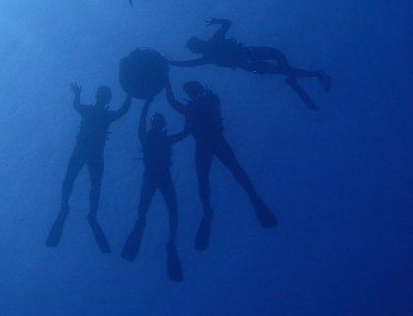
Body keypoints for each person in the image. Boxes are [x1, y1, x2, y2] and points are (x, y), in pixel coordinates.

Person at [166, 79, 277, 251]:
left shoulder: (203, 103)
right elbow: (185, 123)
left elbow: (181, 113)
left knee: (223, 173)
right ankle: (250, 198)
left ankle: (245, 199)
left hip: (209, 143)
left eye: (190, 90)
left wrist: (166, 79)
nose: (190, 92)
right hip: (212, 142)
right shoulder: (204, 103)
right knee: (221, 174)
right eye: (189, 91)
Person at [168, 18, 331, 110]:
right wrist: (170, 62)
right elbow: (190, 63)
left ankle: (295, 79)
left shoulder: (212, 45)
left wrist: (170, 62)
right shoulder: (209, 52)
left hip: (250, 55)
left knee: (279, 58)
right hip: (250, 62)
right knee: (281, 66)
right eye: (197, 45)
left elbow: (227, 23)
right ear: (198, 46)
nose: (200, 44)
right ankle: (306, 76)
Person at [45, 83, 132, 253]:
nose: (102, 98)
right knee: (74, 180)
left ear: (103, 98)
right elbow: (122, 110)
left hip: (89, 152)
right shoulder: (101, 114)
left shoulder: (97, 113)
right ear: (102, 97)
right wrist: (77, 93)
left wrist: (129, 93)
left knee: (90, 183)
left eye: (103, 96)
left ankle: (84, 211)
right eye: (102, 95)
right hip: (88, 151)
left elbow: (122, 110)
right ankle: (71, 208)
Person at [121, 99, 188, 281]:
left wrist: (146, 104)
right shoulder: (155, 138)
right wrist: (146, 105)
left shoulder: (155, 138)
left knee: (167, 211)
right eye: (157, 122)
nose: (157, 124)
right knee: (159, 211)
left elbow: (183, 133)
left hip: (154, 176)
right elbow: (184, 133)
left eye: (158, 122)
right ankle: (151, 233)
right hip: (156, 176)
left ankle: (166, 240)